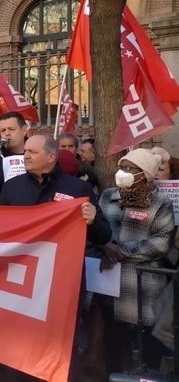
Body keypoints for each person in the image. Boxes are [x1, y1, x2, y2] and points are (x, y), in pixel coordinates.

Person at [0, 134, 111, 381]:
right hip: (21, 283)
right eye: (25, 151)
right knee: (20, 344)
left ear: (51, 156)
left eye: (32, 152)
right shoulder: (12, 187)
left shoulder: (78, 189)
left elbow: (104, 235)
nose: (25, 155)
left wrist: (92, 220)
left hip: (62, 285)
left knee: (61, 346)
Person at [99, 148, 174, 374]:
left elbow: (160, 243)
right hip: (110, 282)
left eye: (130, 168)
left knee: (147, 346)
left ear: (145, 174)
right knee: (113, 340)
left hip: (143, 285)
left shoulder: (160, 203)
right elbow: (98, 228)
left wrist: (121, 251)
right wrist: (104, 246)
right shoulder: (108, 196)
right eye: (122, 167)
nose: (123, 172)